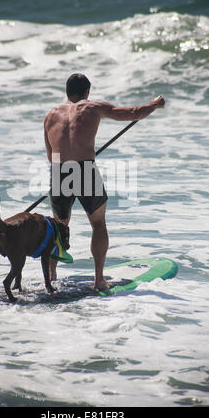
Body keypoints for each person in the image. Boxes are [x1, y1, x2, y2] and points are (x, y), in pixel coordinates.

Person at [44, 73, 165, 291]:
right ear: (87, 92)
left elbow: (50, 154)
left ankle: (52, 277)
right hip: (84, 169)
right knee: (98, 223)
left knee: (59, 226)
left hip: (59, 171)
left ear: (67, 92)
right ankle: (99, 280)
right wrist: (155, 104)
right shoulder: (92, 107)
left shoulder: (50, 115)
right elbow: (133, 113)